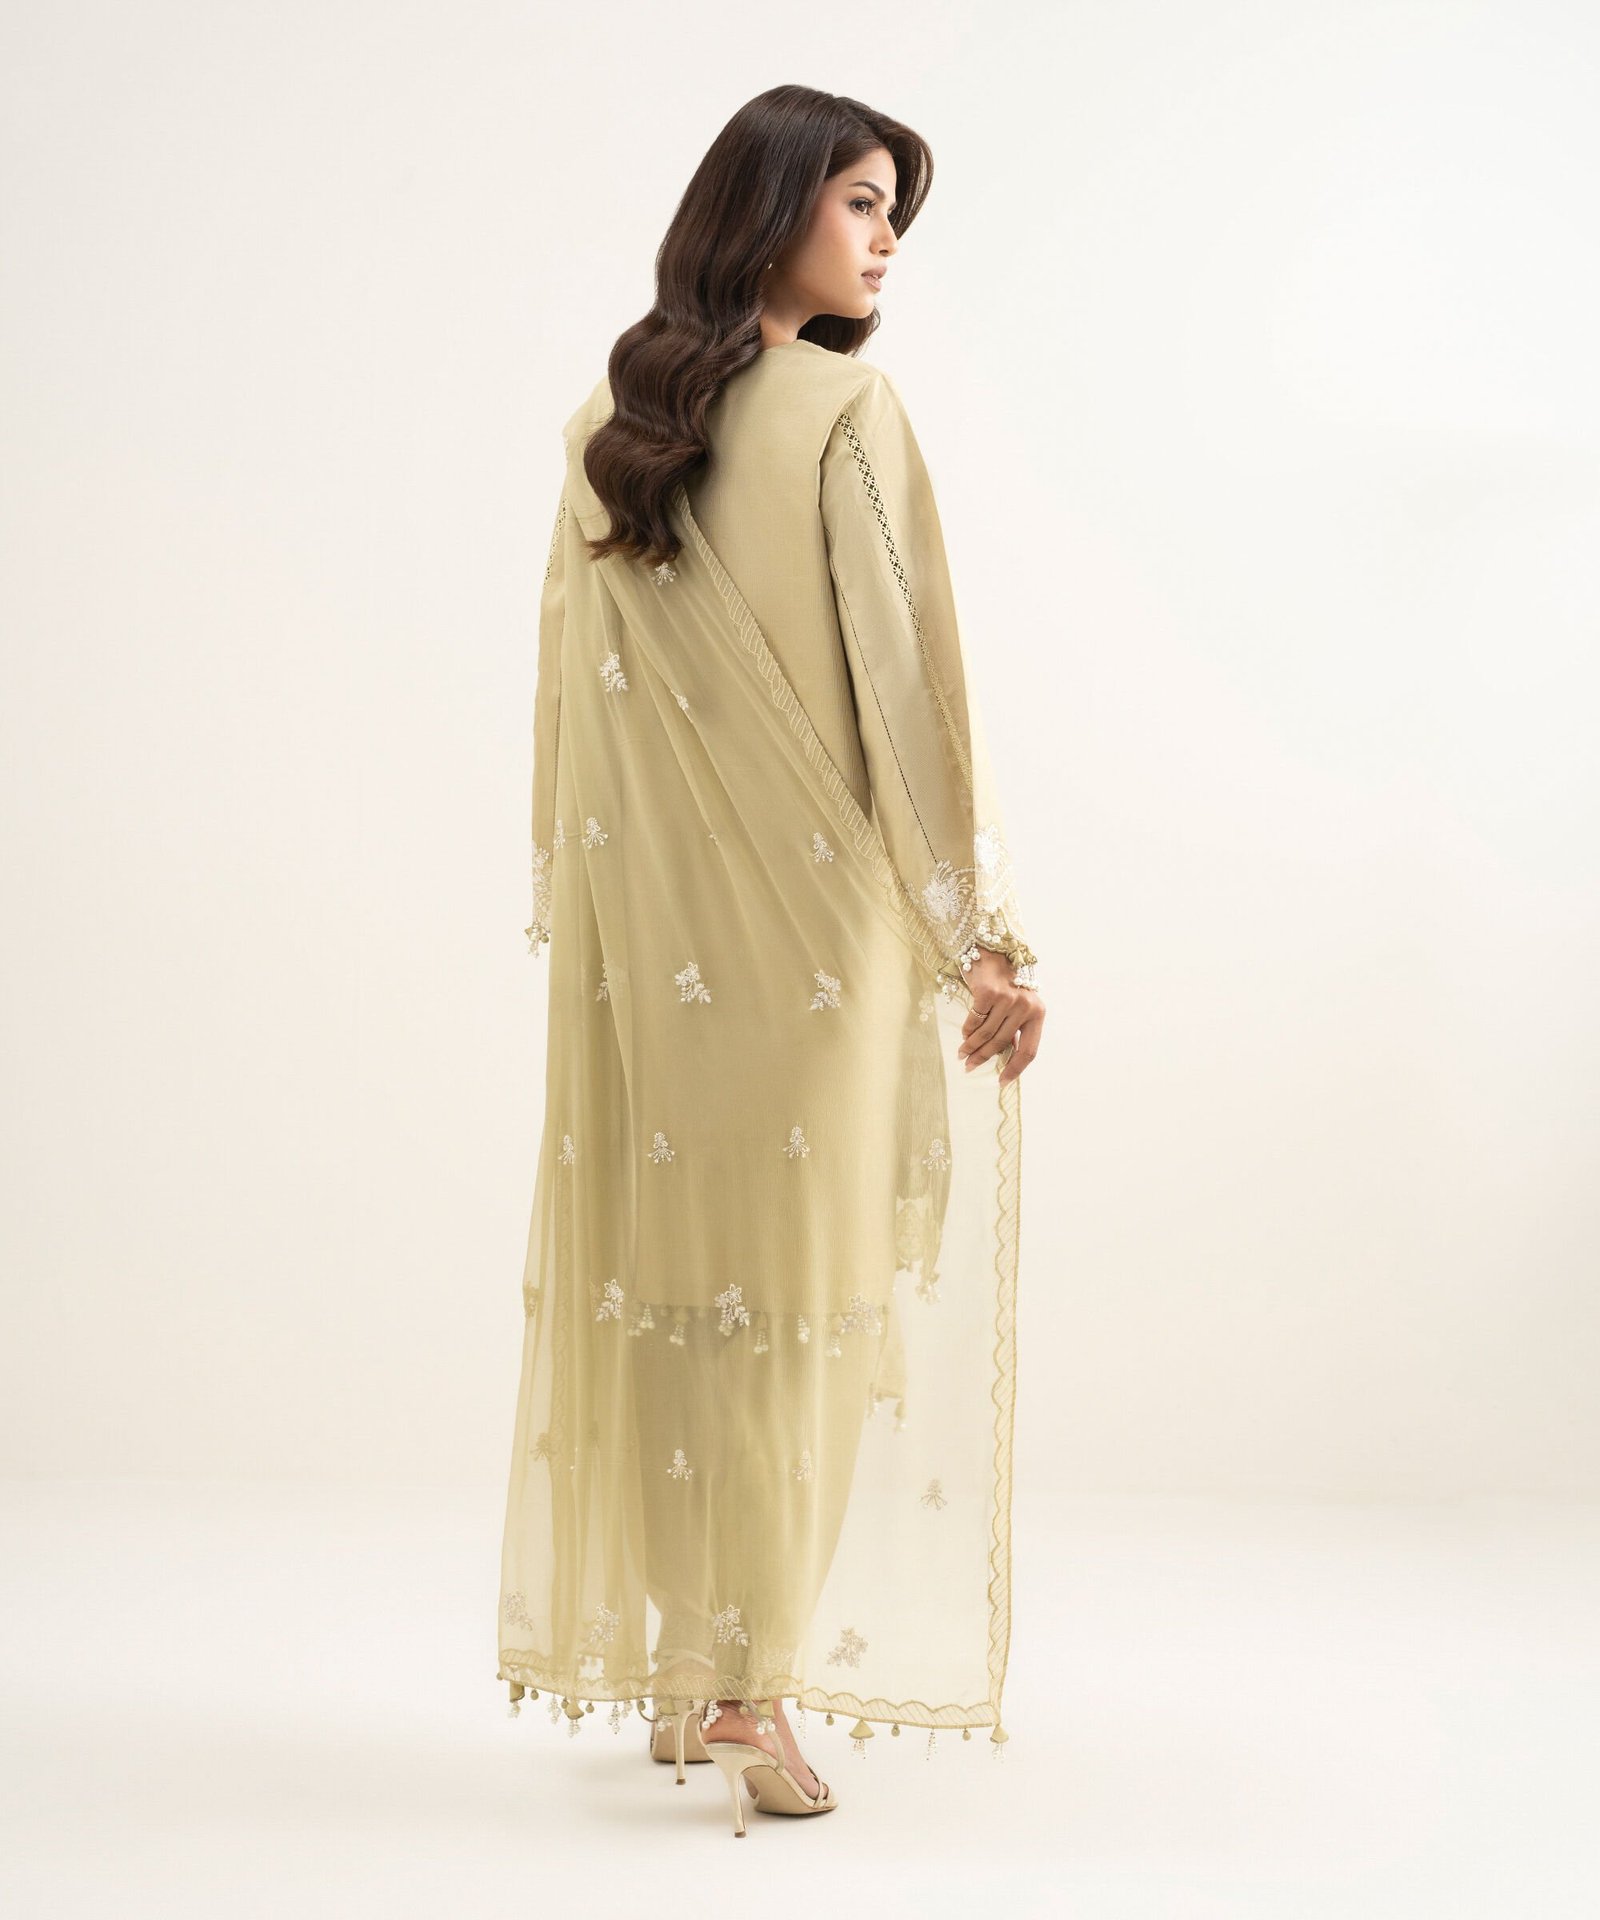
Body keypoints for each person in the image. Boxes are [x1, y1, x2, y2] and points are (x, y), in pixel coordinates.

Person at [496, 84, 1045, 1836]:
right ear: (775, 200)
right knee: (801, 1305)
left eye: (896, 214)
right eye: (864, 201)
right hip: (816, 947)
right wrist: (979, 937)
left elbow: (570, 708)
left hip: (650, 951)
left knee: (675, 1288)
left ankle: (690, 1667)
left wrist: (594, 917)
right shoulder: (846, 412)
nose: (886, 242)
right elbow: (907, 688)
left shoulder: (613, 420)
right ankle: (752, 1682)